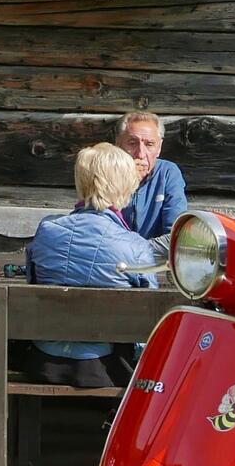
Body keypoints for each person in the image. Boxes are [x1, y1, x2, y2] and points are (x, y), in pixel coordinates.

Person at [22, 143, 156, 388]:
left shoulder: (47, 231)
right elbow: (150, 320)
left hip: (43, 361)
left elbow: (32, 284)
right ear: (125, 184)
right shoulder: (135, 246)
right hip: (106, 368)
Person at [112, 111, 189, 239]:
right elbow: (99, 227)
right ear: (118, 145)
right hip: (113, 255)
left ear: (159, 148)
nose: (141, 154)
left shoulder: (168, 173)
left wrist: (140, 251)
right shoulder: (106, 173)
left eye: (149, 144)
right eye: (132, 143)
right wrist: (127, 183)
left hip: (155, 257)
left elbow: (175, 234)